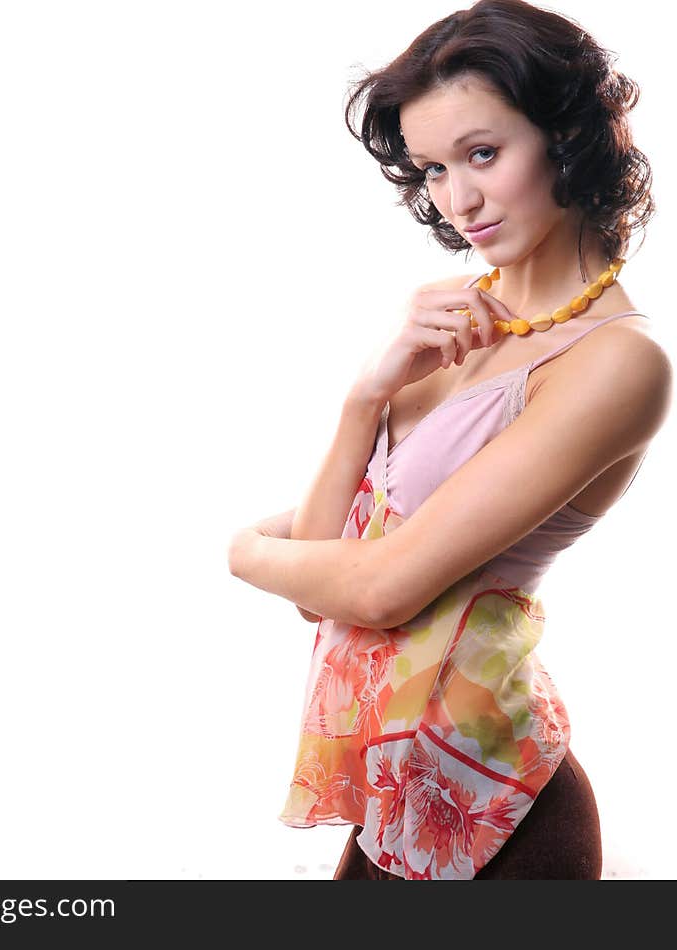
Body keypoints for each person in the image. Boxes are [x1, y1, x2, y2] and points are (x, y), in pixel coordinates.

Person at [227, 0, 672, 880]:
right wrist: (366, 396)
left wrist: (242, 550)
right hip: (402, 790)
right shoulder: (450, 318)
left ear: (568, 137)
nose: (456, 199)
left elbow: (380, 584)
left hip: (503, 807)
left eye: (483, 154)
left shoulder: (618, 362)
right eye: (432, 168)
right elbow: (325, 586)